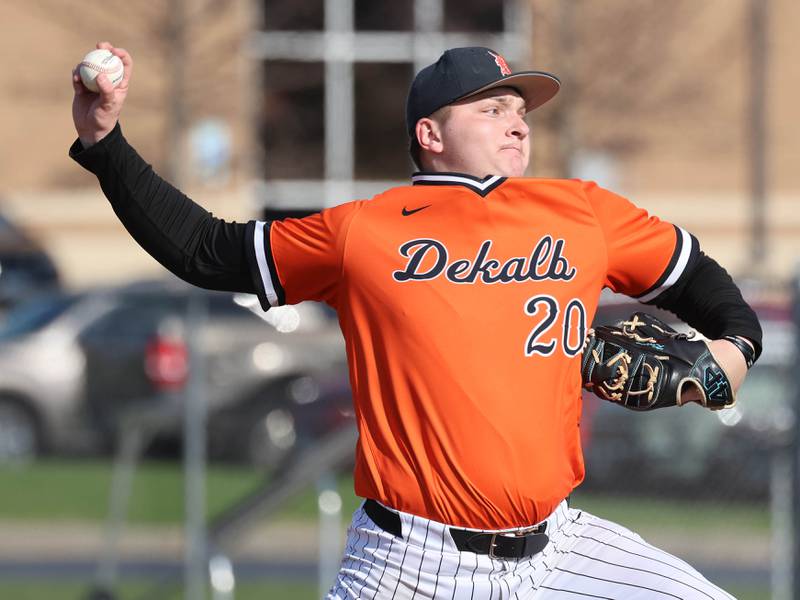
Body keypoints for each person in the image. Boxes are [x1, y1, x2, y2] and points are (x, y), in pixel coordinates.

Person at [72, 42, 761, 599]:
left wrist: (732, 353)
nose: (517, 121)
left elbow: (695, 275)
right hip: (413, 567)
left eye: (520, 109)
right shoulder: (364, 232)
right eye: (491, 109)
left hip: (561, 552)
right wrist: (106, 144)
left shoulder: (581, 212)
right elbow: (205, 250)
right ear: (430, 133)